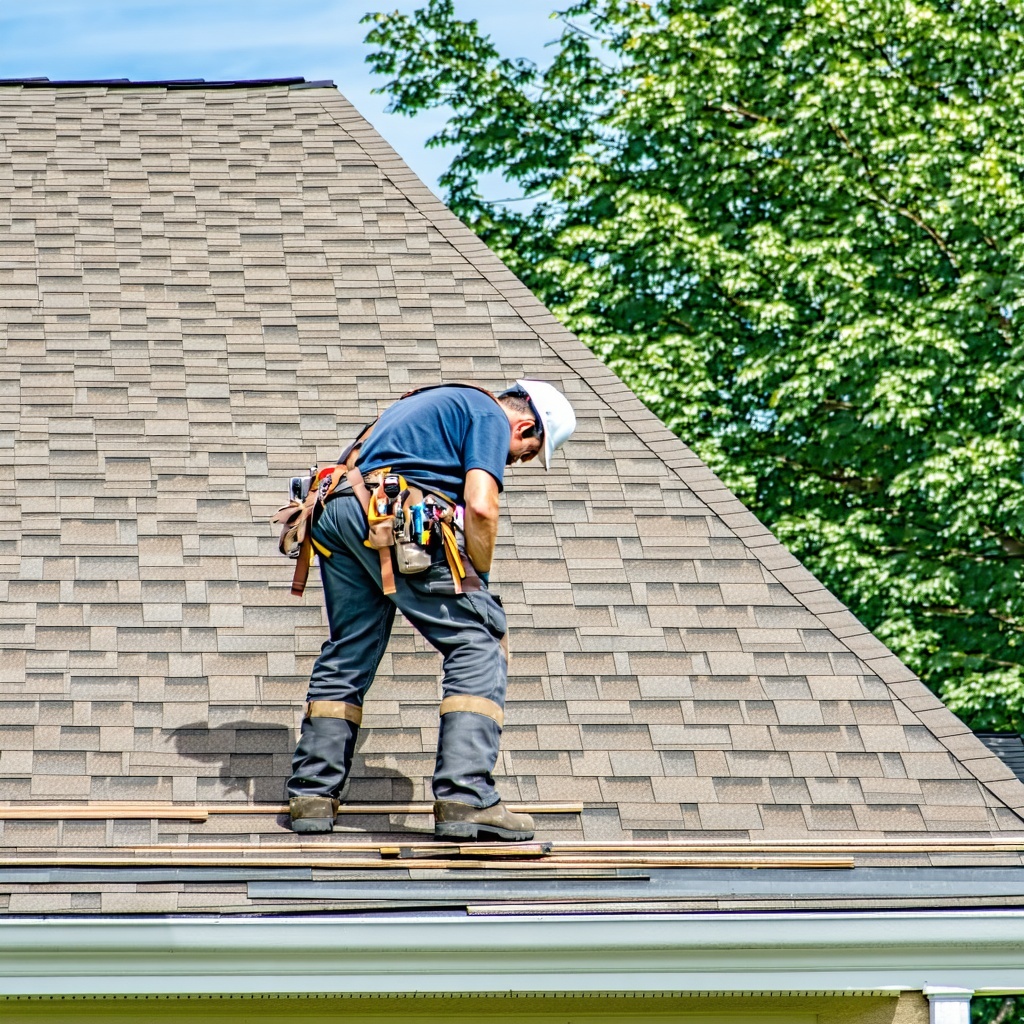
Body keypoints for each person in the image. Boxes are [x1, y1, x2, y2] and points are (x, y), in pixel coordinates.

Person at [286, 380, 576, 840]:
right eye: (522, 453)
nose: (511, 462)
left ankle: (312, 796)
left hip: (338, 511)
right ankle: (466, 798)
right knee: (479, 644)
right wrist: (477, 577)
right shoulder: (487, 414)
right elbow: (481, 506)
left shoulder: (422, 405)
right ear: (524, 425)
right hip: (387, 514)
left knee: (350, 649)